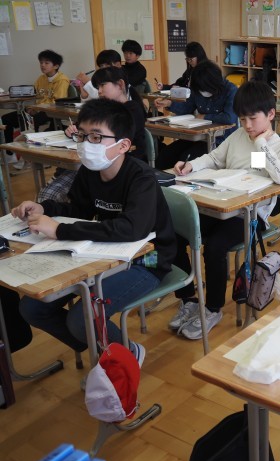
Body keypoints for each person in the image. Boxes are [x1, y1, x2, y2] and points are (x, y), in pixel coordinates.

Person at [12, 98, 176, 363]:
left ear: (123, 145)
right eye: (82, 135)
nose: (87, 144)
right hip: (104, 254)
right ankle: (96, 346)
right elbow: (79, 209)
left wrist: (60, 230)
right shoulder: (90, 172)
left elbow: (131, 229)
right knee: (32, 308)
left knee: (83, 317)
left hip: (149, 259)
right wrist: (44, 208)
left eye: (97, 137)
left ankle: (127, 355)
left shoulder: (141, 178)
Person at [169, 80, 280, 339]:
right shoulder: (237, 136)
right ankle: (188, 299)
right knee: (176, 233)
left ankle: (212, 308)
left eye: (253, 118)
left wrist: (261, 143)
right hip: (221, 205)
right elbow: (215, 158)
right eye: (242, 119)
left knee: (215, 247)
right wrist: (192, 166)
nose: (247, 125)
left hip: (250, 216)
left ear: (271, 114)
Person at [37, 67, 148, 203]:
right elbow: (81, 126)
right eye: (97, 87)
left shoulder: (131, 110)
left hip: (118, 164)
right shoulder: (101, 110)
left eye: (103, 85)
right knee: (49, 196)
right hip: (94, 166)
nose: (99, 91)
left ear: (120, 84)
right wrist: (73, 131)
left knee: (56, 195)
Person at [154, 60, 238, 170]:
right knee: (166, 155)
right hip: (198, 137)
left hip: (219, 140)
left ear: (212, 84)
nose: (201, 92)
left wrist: (205, 116)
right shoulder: (198, 88)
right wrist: (170, 104)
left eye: (203, 89)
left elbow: (229, 118)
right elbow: (187, 107)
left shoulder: (231, 90)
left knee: (185, 159)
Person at [1, 50, 70, 166]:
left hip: (51, 112)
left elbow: (57, 102)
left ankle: (32, 156)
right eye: (41, 62)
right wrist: (25, 102)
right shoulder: (41, 79)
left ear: (56, 66)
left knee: (30, 122)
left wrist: (36, 108)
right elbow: (33, 95)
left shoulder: (62, 80)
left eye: (46, 63)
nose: (42, 65)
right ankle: (10, 155)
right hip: (36, 109)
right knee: (5, 119)